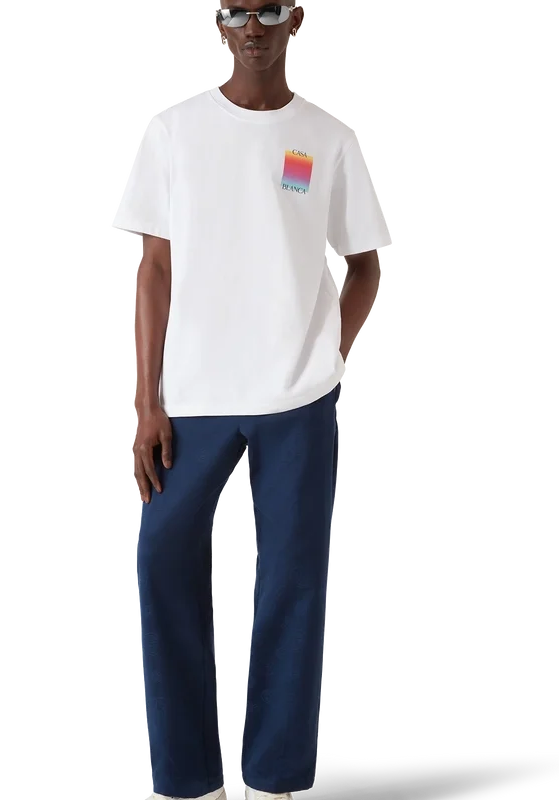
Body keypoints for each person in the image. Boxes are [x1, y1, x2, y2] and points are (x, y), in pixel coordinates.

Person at [114, 3, 391, 798]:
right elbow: (153, 269)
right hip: (193, 393)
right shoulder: (174, 127)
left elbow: (366, 264)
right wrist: (146, 404)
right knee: (162, 559)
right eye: (238, 12)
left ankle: (274, 772)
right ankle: (186, 773)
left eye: (269, 11)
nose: (254, 27)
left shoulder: (328, 134)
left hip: (297, 394)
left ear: (297, 20)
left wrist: (332, 352)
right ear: (219, 25)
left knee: (292, 581)